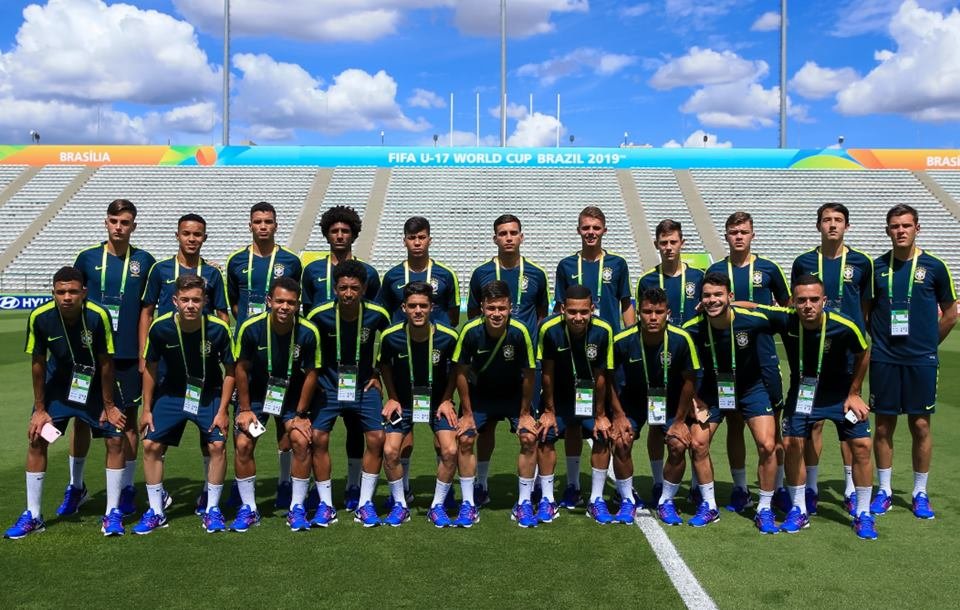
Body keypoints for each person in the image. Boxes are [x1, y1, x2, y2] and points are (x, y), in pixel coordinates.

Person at [748, 275, 876, 538]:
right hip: (804, 395)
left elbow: (864, 352)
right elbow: (753, 307)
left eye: (814, 299)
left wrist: (854, 392)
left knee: (862, 445)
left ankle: (863, 514)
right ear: (793, 302)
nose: (808, 305)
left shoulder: (844, 325)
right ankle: (799, 509)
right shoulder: (787, 319)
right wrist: (721, 303)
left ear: (824, 301)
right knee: (794, 443)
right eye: (802, 300)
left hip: (841, 396)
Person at [5, 267, 125, 539]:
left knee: (116, 438)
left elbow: (107, 362)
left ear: (84, 292)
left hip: (94, 386)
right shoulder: (40, 317)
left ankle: (112, 512)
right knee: (37, 438)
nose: (67, 297)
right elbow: (37, 363)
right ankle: (33, 515)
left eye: (73, 291)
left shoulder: (98, 315)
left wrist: (109, 405)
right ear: (53, 293)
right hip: (57, 388)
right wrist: (39, 409)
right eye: (61, 292)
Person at [66, 199, 155, 518]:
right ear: (106, 222)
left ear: (134, 226)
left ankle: (128, 488)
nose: (119, 226)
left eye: (125, 222)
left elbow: (149, 309)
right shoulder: (87, 258)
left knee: (128, 420)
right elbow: (73, 302)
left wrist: (146, 353)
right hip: (88, 355)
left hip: (129, 354)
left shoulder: (144, 261)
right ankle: (76, 486)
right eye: (114, 221)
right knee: (81, 419)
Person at [869, 204, 956, 519]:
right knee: (883, 426)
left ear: (917, 228)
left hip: (921, 359)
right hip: (884, 359)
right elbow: (867, 313)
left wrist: (930, 344)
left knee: (920, 424)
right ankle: (885, 490)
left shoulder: (934, 266)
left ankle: (920, 492)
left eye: (906, 225)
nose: (900, 230)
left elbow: (951, 312)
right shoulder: (876, 268)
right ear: (887, 230)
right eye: (894, 226)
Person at [140, 213, 229, 514]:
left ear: (205, 237)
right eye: (186, 233)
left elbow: (222, 314)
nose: (192, 239)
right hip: (168, 363)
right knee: (155, 441)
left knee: (212, 442)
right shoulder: (160, 269)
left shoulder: (214, 273)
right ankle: (157, 501)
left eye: (197, 234)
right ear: (177, 235)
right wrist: (145, 356)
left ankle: (209, 495)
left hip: (203, 368)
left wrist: (218, 342)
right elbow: (147, 312)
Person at [682, 272, 782, 534]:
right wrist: (693, 399)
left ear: (730, 297)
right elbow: (683, 369)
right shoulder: (692, 328)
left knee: (767, 444)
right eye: (707, 296)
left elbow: (782, 313)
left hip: (751, 388)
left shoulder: (753, 320)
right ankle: (710, 505)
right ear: (700, 299)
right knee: (698, 443)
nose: (712, 300)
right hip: (713, 392)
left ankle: (764, 507)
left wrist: (741, 305)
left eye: (718, 295)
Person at [134, 275, 235, 534]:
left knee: (217, 443)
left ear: (205, 302)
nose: (190, 305)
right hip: (171, 393)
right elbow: (150, 369)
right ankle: (156, 510)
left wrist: (223, 411)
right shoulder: (160, 327)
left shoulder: (218, 329)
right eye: (185, 300)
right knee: (150, 443)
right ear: (175, 301)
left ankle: (212, 509)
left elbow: (231, 371)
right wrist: (146, 409)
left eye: (196, 300)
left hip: (208, 394)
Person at [790, 202, 873, 515]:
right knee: (812, 425)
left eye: (838, 220)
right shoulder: (804, 261)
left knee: (848, 421)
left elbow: (865, 309)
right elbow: (793, 301)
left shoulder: (862, 262)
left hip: (847, 353)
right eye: (826, 220)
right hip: (812, 354)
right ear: (818, 225)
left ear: (847, 226)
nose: (832, 225)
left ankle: (851, 487)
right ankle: (810, 487)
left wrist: (856, 384)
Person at [706, 211, 790, 513]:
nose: (738, 236)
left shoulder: (768, 268)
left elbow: (787, 308)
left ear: (753, 234)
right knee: (734, 425)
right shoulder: (716, 270)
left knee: (772, 430)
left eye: (743, 231)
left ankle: (778, 486)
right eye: (733, 232)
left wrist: (753, 307)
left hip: (764, 359)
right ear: (726, 236)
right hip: (730, 362)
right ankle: (740, 488)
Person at [552, 206, 633, 510]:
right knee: (574, 422)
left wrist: (629, 339)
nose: (591, 232)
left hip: (608, 350)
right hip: (575, 353)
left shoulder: (618, 264)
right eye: (585, 227)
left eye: (596, 227)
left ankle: (610, 489)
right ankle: (573, 485)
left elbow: (626, 304)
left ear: (604, 230)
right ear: (578, 230)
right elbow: (559, 306)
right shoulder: (566, 265)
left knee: (609, 418)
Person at [301, 205, 380, 510]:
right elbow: (306, 319)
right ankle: (316, 489)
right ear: (326, 233)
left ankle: (353, 485)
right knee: (316, 433)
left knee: (358, 430)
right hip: (325, 368)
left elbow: (375, 324)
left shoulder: (369, 273)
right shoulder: (312, 270)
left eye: (345, 231)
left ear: (354, 234)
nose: (339, 235)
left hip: (358, 365)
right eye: (334, 230)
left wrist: (375, 371)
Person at [378, 216, 460, 508]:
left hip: (435, 368)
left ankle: (443, 493)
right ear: (404, 240)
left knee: (445, 443)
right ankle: (404, 492)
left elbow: (452, 315)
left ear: (429, 239)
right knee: (404, 442)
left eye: (422, 237)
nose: (417, 243)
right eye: (412, 238)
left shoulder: (445, 275)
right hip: (404, 367)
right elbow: (385, 314)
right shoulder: (391, 277)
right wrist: (392, 395)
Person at [466, 214, 549, 506]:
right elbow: (474, 316)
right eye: (503, 233)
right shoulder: (482, 273)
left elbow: (541, 314)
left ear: (522, 237)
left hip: (524, 366)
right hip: (489, 366)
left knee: (531, 428)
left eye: (514, 232)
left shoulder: (537, 274)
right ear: (495, 239)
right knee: (484, 428)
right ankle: (482, 483)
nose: (509, 237)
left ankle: (534, 486)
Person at [225, 201, 303, 509]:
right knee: (243, 426)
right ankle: (243, 490)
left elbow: (297, 302)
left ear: (276, 225)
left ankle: (285, 483)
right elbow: (234, 303)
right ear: (250, 224)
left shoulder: (290, 260)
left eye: (268, 221)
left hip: (281, 354)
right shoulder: (235, 261)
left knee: (284, 428)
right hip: (249, 351)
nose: (263, 226)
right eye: (257, 221)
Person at [305, 260, 391, 527]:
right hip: (329, 386)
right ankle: (326, 504)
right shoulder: (319, 314)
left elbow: (390, 345)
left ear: (364, 288)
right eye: (343, 288)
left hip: (365, 386)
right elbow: (306, 345)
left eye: (354, 287)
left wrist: (376, 373)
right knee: (317, 437)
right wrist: (315, 379)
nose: (348, 293)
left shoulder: (378, 314)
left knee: (377, 438)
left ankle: (365, 503)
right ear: (335, 288)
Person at [232, 277, 321, 532]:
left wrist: (301, 414)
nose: (284, 307)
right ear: (269, 301)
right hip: (258, 397)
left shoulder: (308, 331)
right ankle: (249, 508)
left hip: (292, 397)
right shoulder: (251, 328)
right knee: (244, 443)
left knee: (301, 441)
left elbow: (311, 373)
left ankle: (297, 507)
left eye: (290, 303)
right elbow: (241, 368)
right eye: (279, 301)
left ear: (298, 305)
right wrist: (246, 409)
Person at [610, 288, 702, 527]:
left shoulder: (682, 339)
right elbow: (605, 379)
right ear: (638, 312)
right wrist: (618, 415)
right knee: (620, 440)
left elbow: (690, 380)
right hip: (632, 401)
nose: (653, 317)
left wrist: (680, 421)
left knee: (678, 444)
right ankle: (627, 499)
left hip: (669, 402)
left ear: (667, 313)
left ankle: (667, 501)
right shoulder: (622, 340)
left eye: (658, 312)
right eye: (648, 312)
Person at [453, 280, 537, 527]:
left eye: (501, 308)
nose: (497, 313)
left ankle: (523, 503)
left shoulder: (520, 331)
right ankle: (470, 501)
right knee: (466, 438)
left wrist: (524, 413)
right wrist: (467, 413)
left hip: (512, 396)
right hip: (480, 397)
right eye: (491, 308)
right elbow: (460, 372)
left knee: (529, 437)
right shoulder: (469, 331)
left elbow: (530, 373)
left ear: (510, 307)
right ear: (482, 307)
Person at [636, 219, 705, 504]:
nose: (668, 247)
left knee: (694, 423)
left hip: (691, 358)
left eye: (673, 242)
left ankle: (697, 484)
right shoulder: (647, 280)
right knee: (656, 424)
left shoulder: (699, 277)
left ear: (682, 243)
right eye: (663, 243)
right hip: (658, 361)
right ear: (656, 245)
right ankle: (656, 480)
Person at [536, 285, 615, 525]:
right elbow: (546, 373)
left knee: (602, 435)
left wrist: (601, 414)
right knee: (545, 435)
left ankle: (596, 499)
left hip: (590, 396)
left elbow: (603, 376)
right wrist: (549, 411)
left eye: (583, 312)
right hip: (558, 395)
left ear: (592, 309)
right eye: (572, 312)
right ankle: (548, 499)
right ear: (562, 309)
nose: (578, 318)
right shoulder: (548, 329)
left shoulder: (604, 330)